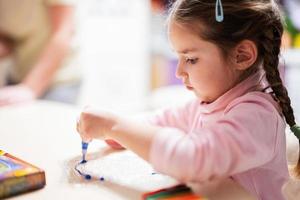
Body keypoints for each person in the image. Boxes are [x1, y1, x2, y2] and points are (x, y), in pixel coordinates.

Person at [76, 0, 300, 199]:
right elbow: (164, 119)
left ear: (242, 55)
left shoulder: (256, 117)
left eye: (191, 59)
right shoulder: (214, 101)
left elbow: (192, 158)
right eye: (178, 57)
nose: (179, 72)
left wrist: (113, 126)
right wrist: (123, 132)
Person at [0, 0, 81, 106]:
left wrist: (29, 88)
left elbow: (64, 33)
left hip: (57, 81)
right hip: (19, 76)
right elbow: (10, 38)